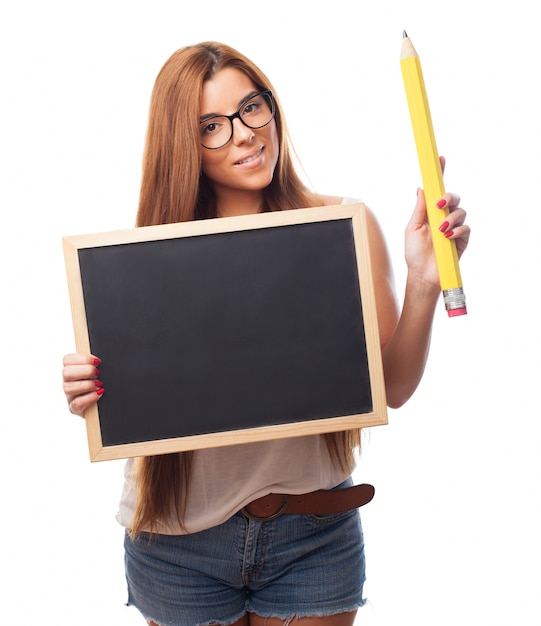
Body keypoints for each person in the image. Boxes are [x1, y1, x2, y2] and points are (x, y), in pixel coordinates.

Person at [62, 42, 470, 626]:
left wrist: (424, 280)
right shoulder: (147, 260)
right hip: (178, 546)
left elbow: (394, 388)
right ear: (184, 143)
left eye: (252, 108)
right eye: (212, 126)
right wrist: (96, 394)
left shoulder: (341, 227)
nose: (245, 134)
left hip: (313, 533)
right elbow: (142, 397)